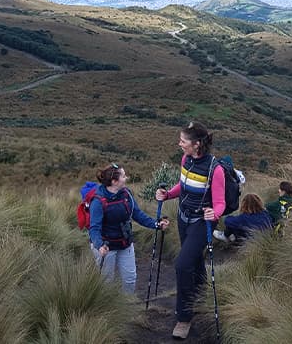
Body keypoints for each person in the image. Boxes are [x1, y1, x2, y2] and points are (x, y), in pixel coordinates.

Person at [155, 122, 225, 340]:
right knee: (194, 262)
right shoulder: (186, 160)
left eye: (183, 141)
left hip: (201, 222)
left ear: (196, 144)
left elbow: (220, 202)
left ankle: (184, 317)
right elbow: (183, 185)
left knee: (182, 264)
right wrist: (167, 195)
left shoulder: (216, 169)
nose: (179, 144)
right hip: (183, 217)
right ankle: (202, 296)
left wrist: (214, 214)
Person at [89, 163, 169, 294]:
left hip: (125, 244)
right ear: (114, 181)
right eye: (123, 176)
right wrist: (99, 245)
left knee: (129, 279)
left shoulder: (126, 194)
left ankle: (127, 307)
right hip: (106, 247)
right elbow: (94, 228)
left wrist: (156, 224)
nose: (126, 178)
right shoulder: (98, 201)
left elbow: (137, 214)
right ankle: (107, 311)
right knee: (106, 283)